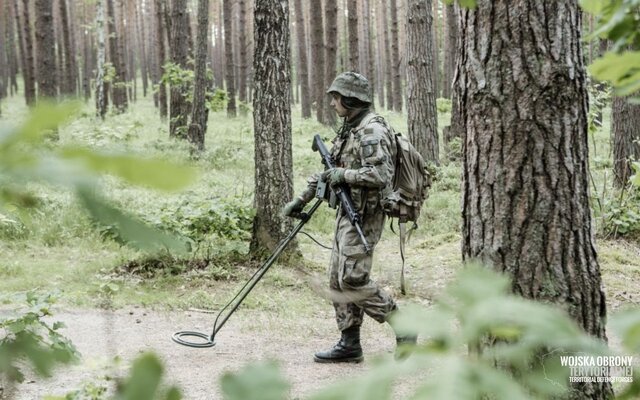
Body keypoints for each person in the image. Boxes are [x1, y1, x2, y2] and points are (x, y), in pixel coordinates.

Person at [282, 71, 416, 363]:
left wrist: (343, 174)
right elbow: (331, 169)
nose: (333, 104)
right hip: (347, 211)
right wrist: (300, 199)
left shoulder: (371, 132)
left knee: (353, 280)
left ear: (350, 100)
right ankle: (349, 344)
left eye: (336, 98)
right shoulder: (350, 128)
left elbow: (379, 175)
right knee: (336, 280)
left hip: (366, 215)